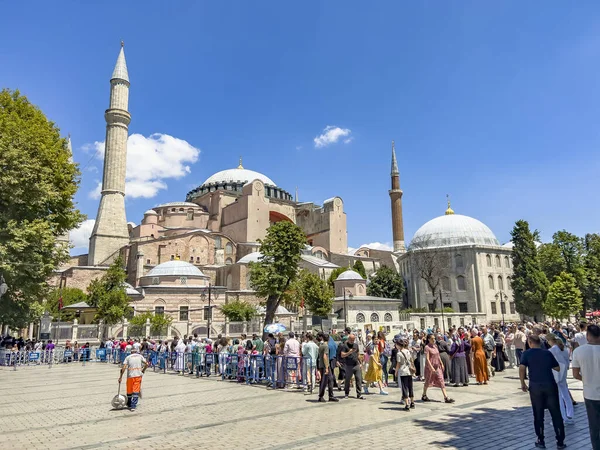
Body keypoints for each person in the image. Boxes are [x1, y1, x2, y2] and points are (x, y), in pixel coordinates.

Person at [519, 334, 566, 449]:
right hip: (550, 384)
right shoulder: (547, 353)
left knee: (538, 413)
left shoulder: (526, 354)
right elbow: (557, 368)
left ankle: (541, 439)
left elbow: (522, 368)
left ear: (530, 343)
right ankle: (560, 440)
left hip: (535, 386)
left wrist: (522, 383)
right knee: (556, 413)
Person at [572, 324, 600, 450]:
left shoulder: (578, 351)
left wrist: (588, 379)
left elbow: (575, 374)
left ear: (588, 336)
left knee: (594, 425)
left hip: (590, 393)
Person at [547, 334, 574, 425]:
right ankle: (570, 414)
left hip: (556, 373)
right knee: (565, 393)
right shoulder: (564, 349)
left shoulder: (552, 350)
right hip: (563, 373)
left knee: (558, 396)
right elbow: (567, 361)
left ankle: (562, 417)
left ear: (550, 340)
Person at [421, 334, 454, 403]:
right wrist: (431, 368)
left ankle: (446, 397)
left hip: (437, 366)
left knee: (441, 380)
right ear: (429, 339)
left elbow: (438, 355)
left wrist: (441, 363)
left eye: (434, 338)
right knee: (427, 381)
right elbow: (427, 359)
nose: (434, 340)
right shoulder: (427, 347)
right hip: (430, 367)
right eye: (432, 338)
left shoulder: (435, 346)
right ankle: (424, 395)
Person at [118, 346, 148, 411]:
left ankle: (129, 403)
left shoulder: (128, 357)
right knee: (136, 390)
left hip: (130, 376)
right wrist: (143, 370)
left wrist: (120, 377)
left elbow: (123, 368)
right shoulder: (140, 356)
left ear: (131, 351)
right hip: (138, 376)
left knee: (129, 390)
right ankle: (133, 406)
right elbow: (147, 364)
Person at [316, 332, 338, 403]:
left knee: (330, 380)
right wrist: (326, 367)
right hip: (325, 366)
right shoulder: (326, 346)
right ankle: (321, 396)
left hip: (322, 365)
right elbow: (325, 356)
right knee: (324, 382)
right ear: (328, 339)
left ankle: (330, 395)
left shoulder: (321, 345)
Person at [340, 333, 363, 399]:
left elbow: (358, 354)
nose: (352, 341)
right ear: (348, 339)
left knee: (358, 379)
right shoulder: (345, 346)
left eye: (353, 340)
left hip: (356, 364)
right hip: (348, 365)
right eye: (351, 340)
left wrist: (360, 362)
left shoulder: (355, 345)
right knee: (347, 380)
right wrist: (349, 352)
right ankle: (346, 393)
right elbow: (342, 355)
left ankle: (359, 394)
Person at [395, 338, 415, 411]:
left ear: (398, 345)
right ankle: (412, 402)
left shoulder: (399, 353)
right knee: (410, 387)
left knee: (404, 388)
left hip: (403, 372)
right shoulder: (408, 351)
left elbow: (398, 364)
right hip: (409, 371)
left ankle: (407, 404)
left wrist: (396, 372)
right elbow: (410, 360)